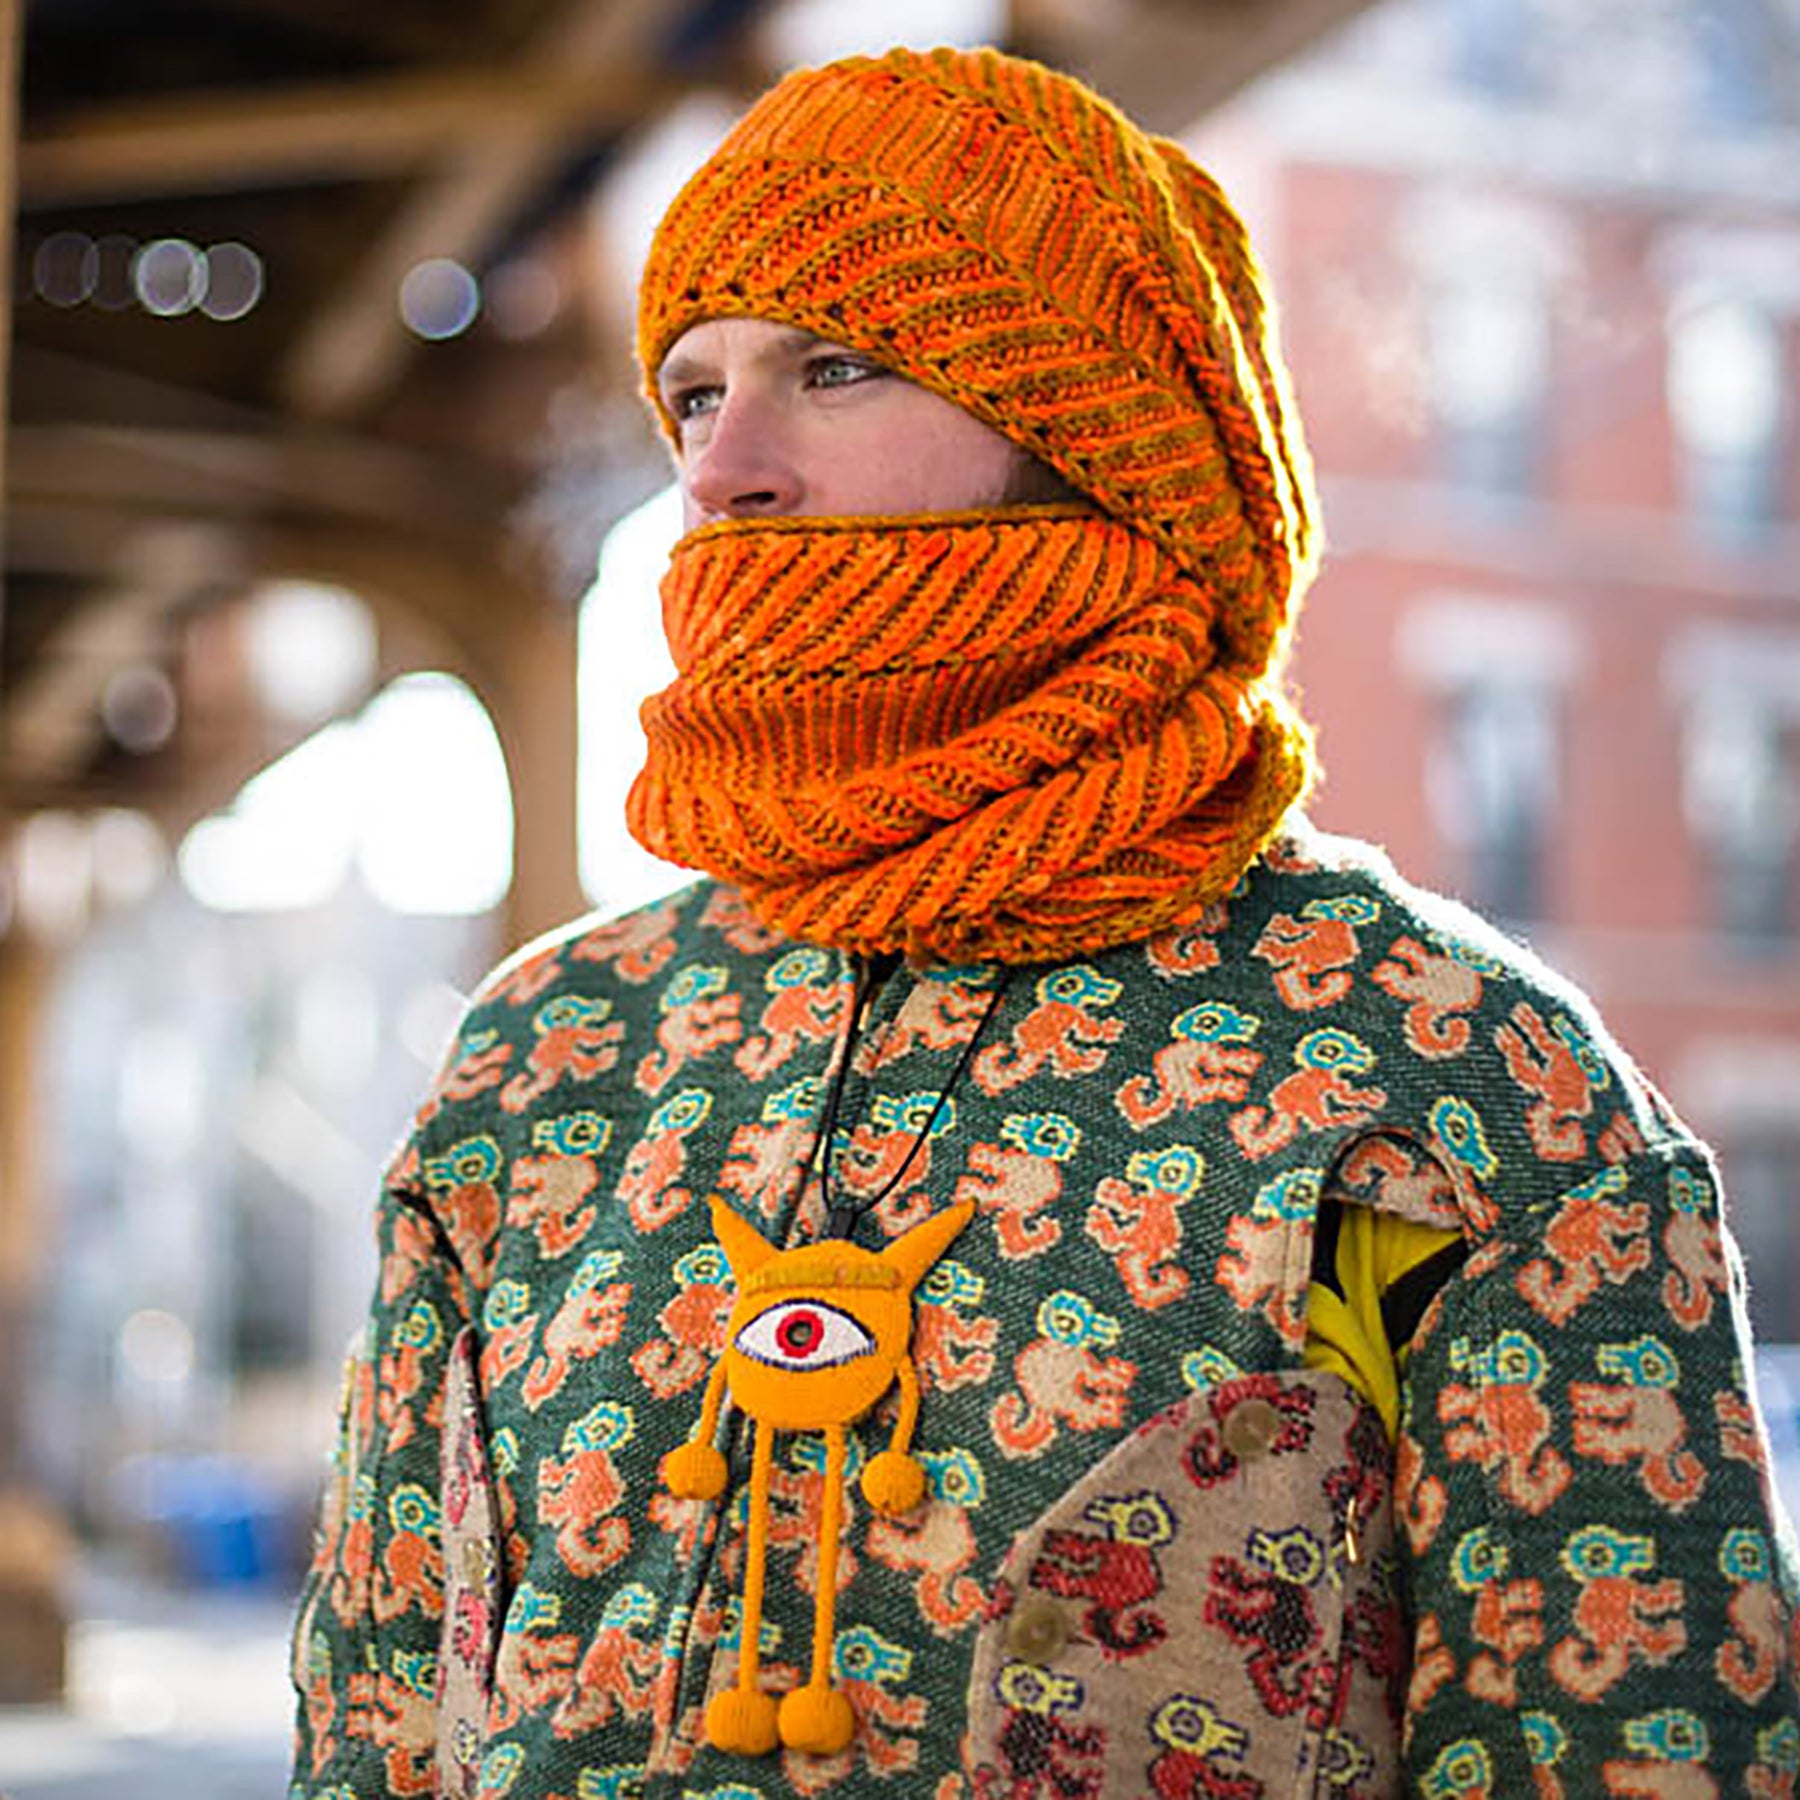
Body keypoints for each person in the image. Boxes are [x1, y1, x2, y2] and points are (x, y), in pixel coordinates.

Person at [288, 44, 1800, 1800]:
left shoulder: (1452, 1075)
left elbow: (1633, 1753)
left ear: (1103, 428)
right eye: (693, 396)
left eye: (834, 367)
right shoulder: (548, 1050)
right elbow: (379, 1711)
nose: (725, 473)